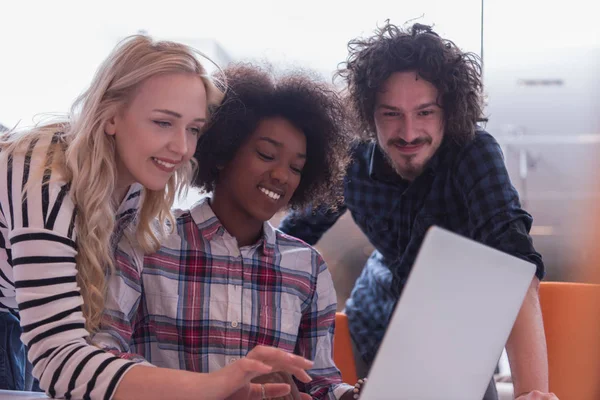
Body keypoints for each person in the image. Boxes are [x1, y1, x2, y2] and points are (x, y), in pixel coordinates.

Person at [0, 36, 314, 400]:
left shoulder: (132, 191)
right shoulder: (42, 178)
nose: (182, 148)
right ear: (112, 116)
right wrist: (213, 384)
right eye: (163, 123)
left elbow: (78, 350)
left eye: (193, 129)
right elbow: (59, 359)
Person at [279, 22, 557, 400]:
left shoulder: (473, 153)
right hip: (375, 325)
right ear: (368, 114)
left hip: (456, 335)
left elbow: (515, 266)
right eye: (391, 114)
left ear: (449, 110)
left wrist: (534, 394)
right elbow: (290, 243)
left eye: (425, 112)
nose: (408, 133)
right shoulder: (353, 161)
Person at [93, 63, 356, 399]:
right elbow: (105, 351)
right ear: (222, 152)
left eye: (296, 168)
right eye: (266, 154)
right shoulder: (146, 238)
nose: (281, 175)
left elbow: (319, 383)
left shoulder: (308, 267)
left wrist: (352, 395)